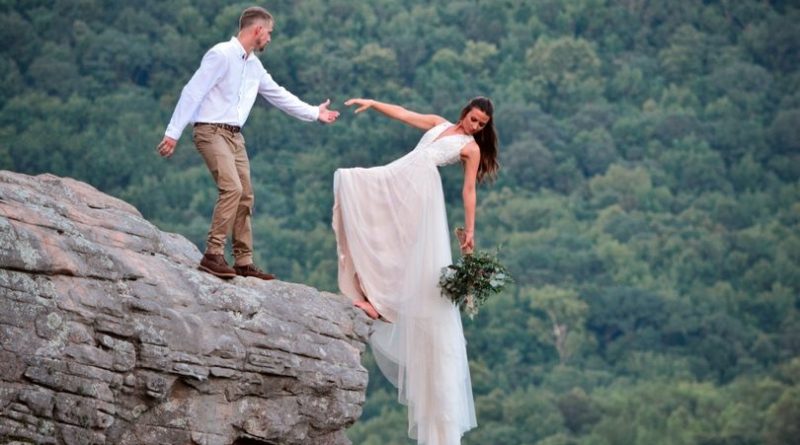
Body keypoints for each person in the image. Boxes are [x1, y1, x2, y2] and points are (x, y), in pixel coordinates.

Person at [332, 96, 499, 444]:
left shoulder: (470, 149)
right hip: (402, 175)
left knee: (402, 245)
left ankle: (382, 304)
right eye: (473, 119)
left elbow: (469, 190)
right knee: (353, 184)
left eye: (481, 124)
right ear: (464, 113)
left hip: (422, 191)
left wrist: (471, 231)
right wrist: (374, 104)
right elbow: (407, 115)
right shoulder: (439, 123)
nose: (475, 127)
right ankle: (371, 292)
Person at [157, 6, 339, 280]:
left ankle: (243, 261)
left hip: (235, 135)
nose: (270, 39)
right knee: (231, 188)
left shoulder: (254, 65)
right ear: (258, 30)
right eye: (269, 33)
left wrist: (315, 113)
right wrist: (173, 132)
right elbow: (193, 91)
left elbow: (279, 94)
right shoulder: (221, 54)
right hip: (210, 131)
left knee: (245, 195)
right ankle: (212, 254)